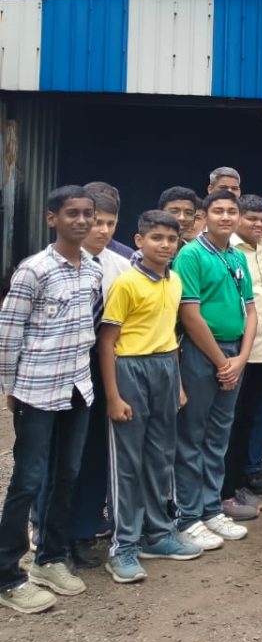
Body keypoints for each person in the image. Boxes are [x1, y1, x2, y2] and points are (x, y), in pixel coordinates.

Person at [0, 186, 102, 614]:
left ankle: (50, 558)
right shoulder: (34, 270)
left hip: (78, 388)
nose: (81, 221)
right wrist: (10, 389)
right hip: (37, 391)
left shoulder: (93, 269)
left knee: (67, 475)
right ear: (52, 219)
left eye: (87, 214)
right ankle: (7, 576)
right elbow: (9, 332)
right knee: (27, 481)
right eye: (71, 213)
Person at [99, 210, 204, 583]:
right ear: (139, 241)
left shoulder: (174, 280)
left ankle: (158, 534)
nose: (165, 245)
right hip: (130, 369)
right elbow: (107, 342)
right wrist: (113, 396)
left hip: (165, 369)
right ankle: (123, 546)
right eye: (156, 238)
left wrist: (178, 385)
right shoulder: (126, 283)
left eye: (171, 239)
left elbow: (170, 335)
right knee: (128, 462)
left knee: (161, 457)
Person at [172, 190, 257, 549]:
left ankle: (211, 509)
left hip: (234, 355)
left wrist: (240, 359)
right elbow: (190, 315)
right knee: (191, 437)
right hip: (200, 353)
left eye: (231, 211)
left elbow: (251, 310)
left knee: (219, 436)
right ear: (203, 216)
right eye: (218, 211)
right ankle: (188, 516)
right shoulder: (191, 255)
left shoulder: (236, 256)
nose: (225, 217)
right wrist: (222, 362)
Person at [66, 188, 131, 569]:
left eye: (110, 223)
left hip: (102, 362)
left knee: (94, 451)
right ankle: (50, 533)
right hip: (61, 365)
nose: (103, 230)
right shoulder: (53, 262)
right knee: (60, 453)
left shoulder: (121, 266)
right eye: (96, 221)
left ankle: (84, 530)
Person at [223, 195, 262, 519]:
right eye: (252, 219)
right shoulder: (229, 252)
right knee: (231, 422)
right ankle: (226, 489)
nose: (259, 225)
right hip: (239, 351)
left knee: (253, 419)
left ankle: (242, 479)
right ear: (238, 218)